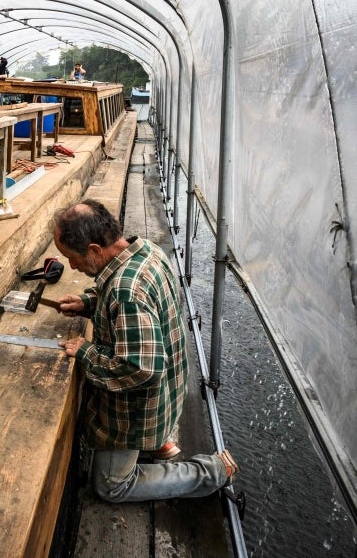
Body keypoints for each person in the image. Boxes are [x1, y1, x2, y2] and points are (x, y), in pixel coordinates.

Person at [53, 199, 239, 502]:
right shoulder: (146, 250)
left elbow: (139, 368)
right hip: (170, 392)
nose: (72, 266)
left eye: (72, 258)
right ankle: (158, 443)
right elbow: (124, 300)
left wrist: (86, 353)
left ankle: (211, 472)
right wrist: (87, 303)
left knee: (111, 486)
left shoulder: (126, 291)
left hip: (143, 410)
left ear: (95, 250)